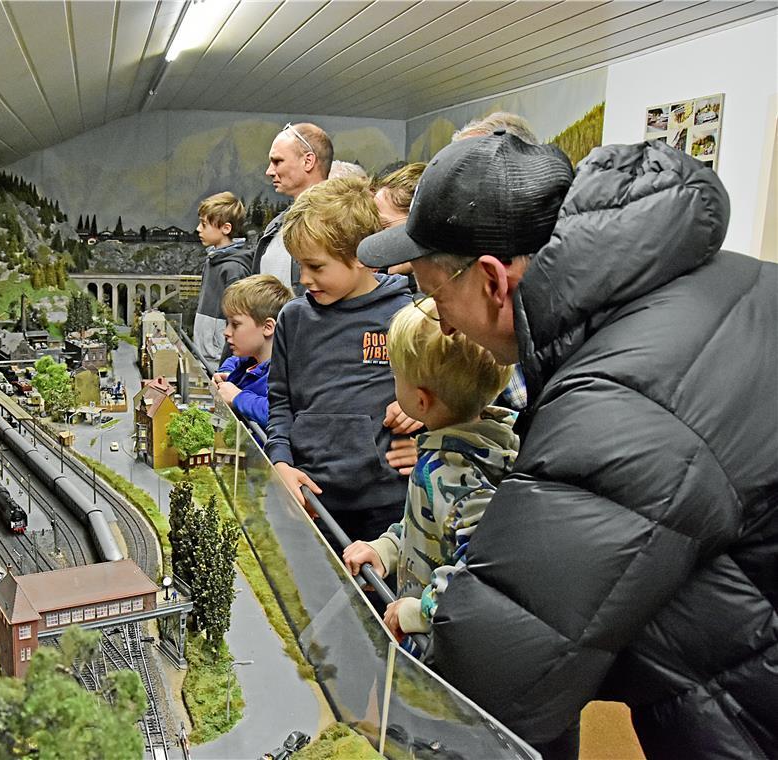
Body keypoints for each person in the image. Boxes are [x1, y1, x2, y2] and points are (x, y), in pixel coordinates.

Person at [357, 131, 777, 758]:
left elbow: (508, 669)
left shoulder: (620, 399)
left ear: (494, 281)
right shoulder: (709, 286)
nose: (440, 321)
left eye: (436, 296)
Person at [342, 300, 516, 653]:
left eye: (395, 376)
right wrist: (388, 549)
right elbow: (433, 526)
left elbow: (483, 569)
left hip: (438, 652)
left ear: (421, 401)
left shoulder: (454, 472)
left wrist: (423, 610)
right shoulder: (457, 451)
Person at [265, 177, 415, 541]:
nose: (303, 279)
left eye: (316, 267)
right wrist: (280, 461)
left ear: (362, 258)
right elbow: (281, 402)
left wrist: (422, 421)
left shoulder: (409, 316)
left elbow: (444, 400)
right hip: (310, 496)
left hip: (386, 504)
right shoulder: (293, 318)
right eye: (300, 265)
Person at [252, 122, 332, 292]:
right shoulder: (276, 226)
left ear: (308, 161)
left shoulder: (337, 224)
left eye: (277, 161)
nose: (269, 171)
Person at [211, 274, 294, 430]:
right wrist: (227, 376)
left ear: (268, 327)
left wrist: (238, 397)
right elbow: (233, 362)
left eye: (235, 324)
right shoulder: (250, 361)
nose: (226, 332)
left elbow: (281, 415)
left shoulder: (283, 375)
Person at [192, 191, 250, 366]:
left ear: (226, 228)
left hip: (220, 361)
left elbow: (238, 319)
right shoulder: (212, 260)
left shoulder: (234, 269)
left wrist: (228, 360)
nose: (198, 229)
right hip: (205, 356)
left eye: (204, 224)